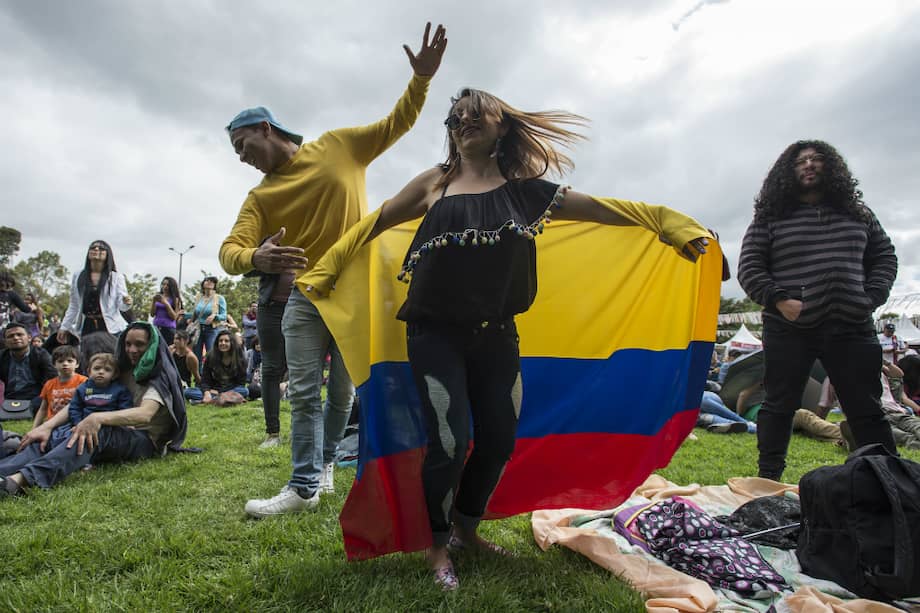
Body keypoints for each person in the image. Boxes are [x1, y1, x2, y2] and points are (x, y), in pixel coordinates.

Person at [301, 87, 711, 589]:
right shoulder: (435, 183)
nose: (464, 122)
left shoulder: (527, 192)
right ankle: (435, 549)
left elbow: (602, 210)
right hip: (434, 334)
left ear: (502, 127)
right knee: (449, 444)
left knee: (498, 439)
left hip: (498, 336)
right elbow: (377, 222)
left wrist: (665, 222)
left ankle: (466, 531)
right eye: (455, 118)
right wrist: (329, 266)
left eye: (477, 115)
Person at [218, 22, 447, 513]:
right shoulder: (261, 196)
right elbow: (229, 250)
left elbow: (395, 124)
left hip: (357, 291)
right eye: (236, 154)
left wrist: (421, 80)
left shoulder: (337, 147)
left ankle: (324, 465)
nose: (242, 159)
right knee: (302, 389)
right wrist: (256, 257)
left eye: (243, 146)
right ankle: (302, 487)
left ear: (266, 128)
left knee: (342, 393)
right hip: (306, 296)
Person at [737, 140, 898, 481]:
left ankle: (889, 482)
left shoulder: (858, 213)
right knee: (779, 405)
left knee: (866, 408)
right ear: (788, 172)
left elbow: (885, 257)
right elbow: (750, 266)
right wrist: (780, 300)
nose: (809, 164)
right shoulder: (771, 217)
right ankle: (767, 479)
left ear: (832, 168)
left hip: (852, 323)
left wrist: (870, 297)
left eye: (817, 159)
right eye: (801, 161)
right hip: (789, 325)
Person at [0, 321, 187, 497]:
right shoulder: (121, 369)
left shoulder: (159, 376)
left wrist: (97, 418)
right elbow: (81, 400)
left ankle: (22, 481)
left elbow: (144, 414)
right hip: (115, 432)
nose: (132, 350)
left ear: (152, 345)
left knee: (93, 432)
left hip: (144, 440)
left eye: (140, 344)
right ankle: (3, 473)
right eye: (128, 344)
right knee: (58, 433)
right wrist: (47, 426)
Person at [57, 240, 133, 368]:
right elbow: (74, 305)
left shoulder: (115, 277)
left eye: (101, 248)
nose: (96, 250)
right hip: (88, 325)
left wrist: (127, 302)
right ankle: (90, 388)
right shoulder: (79, 275)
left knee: (111, 360)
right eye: (93, 247)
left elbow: (121, 305)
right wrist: (64, 327)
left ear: (107, 254)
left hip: (110, 327)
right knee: (88, 360)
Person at [0, 322, 56, 413]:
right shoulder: (2, 356)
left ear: (29, 338)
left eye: (19, 334)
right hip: (9, 397)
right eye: (11, 336)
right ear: (5, 341)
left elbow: (52, 379)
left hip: (35, 397)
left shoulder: (41, 355)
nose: (16, 338)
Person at [31, 345, 87, 430]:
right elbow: (43, 409)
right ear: (54, 364)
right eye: (60, 361)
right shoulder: (49, 384)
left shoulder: (84, 382)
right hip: (53, 424)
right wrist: (34, 429)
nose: (65, 364)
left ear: (77, 364)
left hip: (74, 424)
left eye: (70, 361)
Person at [199, 329, 249, 405]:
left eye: (226, 341)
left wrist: (220, 392)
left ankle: (217, 398)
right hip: (214, 389)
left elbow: (241, 383)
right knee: (189, 392)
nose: (223, 343)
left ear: (231, 343)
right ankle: (225, 399)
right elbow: (205, 380)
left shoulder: (239, 357)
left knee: (244, 391)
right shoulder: (210, 356)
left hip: (232, 389)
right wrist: (207, 392)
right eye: (220, 341)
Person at [186, 276, 227, 364]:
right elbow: (195, 313)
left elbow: (224, 316)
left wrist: (215, 316)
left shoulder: (219, 298)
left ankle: (210, 374)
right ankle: (198, 375)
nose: (209, 282)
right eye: (207, 280)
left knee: (211, 354)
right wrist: (184, 315)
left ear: (215, 285)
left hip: (211, 329)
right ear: (203, 284)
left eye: (212, 281)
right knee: (196, 354)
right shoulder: (198, 297)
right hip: (198, 329)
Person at [170, 330, 202, 403]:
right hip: (170, 382)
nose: (175, 341)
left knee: (185, 393)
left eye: (178, 339)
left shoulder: (190, 357)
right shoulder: (171, 351)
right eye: (174, 339)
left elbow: (196, 377)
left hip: (183, 386)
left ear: (186, 341)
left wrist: (205, 389)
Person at [150, 277, 183, 345]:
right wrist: (154, 301)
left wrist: (166, 303)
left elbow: (174, 317)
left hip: (168, 329)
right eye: (163, 284)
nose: (165, 287)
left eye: (167, 285)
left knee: (167, 351)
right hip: (156, 327)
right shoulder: (158, 297)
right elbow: (152, 314)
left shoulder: (175, 300)